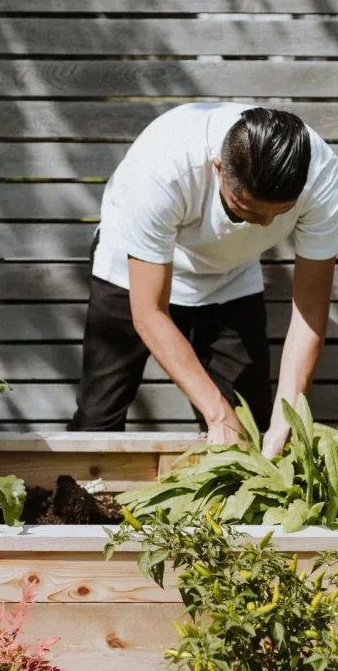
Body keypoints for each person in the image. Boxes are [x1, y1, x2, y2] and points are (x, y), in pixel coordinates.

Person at [69, 103, 338, 458]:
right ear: (219, 168)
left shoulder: (321, 177)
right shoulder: (162, 169)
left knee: (251, 432)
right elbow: (149, 312)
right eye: (246, 209)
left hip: (230, 275)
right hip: (131, 273)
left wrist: (286, 420)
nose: (264, 226)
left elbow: (310, 313)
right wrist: (216, 414)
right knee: (97, 423)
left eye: (280, 213)